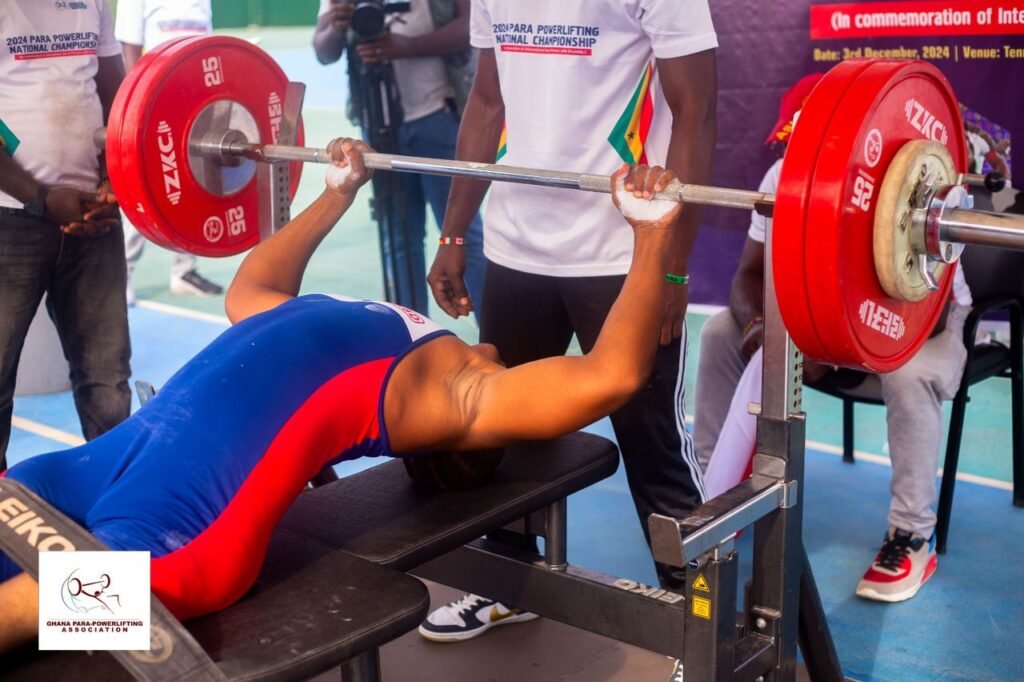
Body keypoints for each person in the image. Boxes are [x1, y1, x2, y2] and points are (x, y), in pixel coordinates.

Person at [0, 139, 685, 653]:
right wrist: (335, 193)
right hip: (101, 468)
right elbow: (253, 292)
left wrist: (652, 236)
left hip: (185, 540)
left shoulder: (463, 397)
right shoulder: (398, 335)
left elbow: (612, 376)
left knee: (48, 609)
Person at [421, 0, 718, 645]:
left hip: (622, 253)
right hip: (515, 244)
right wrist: (452, 234)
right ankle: (509, 582)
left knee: (655, 450)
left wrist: (670, 267)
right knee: (504, 424)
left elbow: (697, 114)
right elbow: (487, 102)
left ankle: (702, 628)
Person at [693, 87, 973, 603]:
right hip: (819, 327)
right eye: (793, 144)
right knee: (717, 334)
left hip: (916, 327)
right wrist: (763, 324)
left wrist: (819, 348)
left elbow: (920, 320)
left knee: (909, 375)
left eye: (810, 144)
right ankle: (716, 496)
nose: (797, 155)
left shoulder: (910, 185)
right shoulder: (782, 178)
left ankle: (911, 536)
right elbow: (749, 275)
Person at [0, 1, 130, 473]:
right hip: (9, 218)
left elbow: (116, 91)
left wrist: (117, 174)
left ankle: (114, 516)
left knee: (107, 382)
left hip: (95, 215)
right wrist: (40, 198)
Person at [312, 0, 486, 317]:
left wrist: (407, 47)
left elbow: (470, 27)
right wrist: (335, 26)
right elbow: (323, 52)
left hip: (439, 116)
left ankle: (496, 335)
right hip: (378, 125)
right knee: (399, 238)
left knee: (461, 235)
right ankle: (413, 339)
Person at [115, 0, 224, 303]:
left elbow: (206, 47)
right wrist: (136, 105)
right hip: (153, 103)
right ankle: (123, 275)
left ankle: (184, 271)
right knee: (144, 190)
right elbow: (129, 49)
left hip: (195, 103)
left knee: (194, 184)